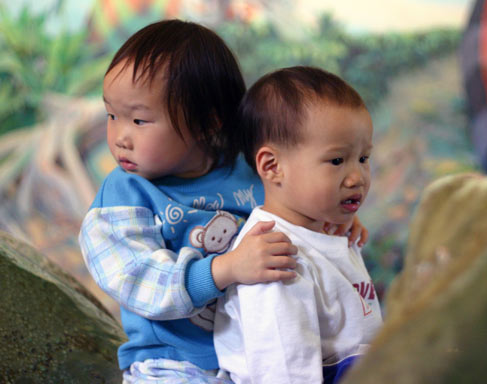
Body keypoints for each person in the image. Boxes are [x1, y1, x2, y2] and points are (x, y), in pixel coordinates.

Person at [79, 20, 368, 383]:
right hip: (172, 364)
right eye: (111, 115)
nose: (120, 136)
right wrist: (224, 269)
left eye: (138, 120)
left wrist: (329, 218)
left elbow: (292, 210)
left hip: (251, 354)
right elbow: (136, 281)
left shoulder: (245, 172)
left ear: (207, 123)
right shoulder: (122, 198)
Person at [214, 66, 383, 384]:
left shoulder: (323, 228)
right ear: (273, 166)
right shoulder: (273, 254)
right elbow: (284, 367)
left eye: (363, 158)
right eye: (337, 160)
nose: (357, 177)